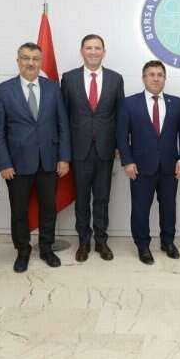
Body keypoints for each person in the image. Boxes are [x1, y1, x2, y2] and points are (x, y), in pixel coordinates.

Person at [0, 42, 71, 273]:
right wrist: (4, 163)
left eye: (35, 59)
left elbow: (63, 125)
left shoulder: (53, 88)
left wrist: (64, 158)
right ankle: (22, 251)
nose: (30, 63)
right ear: (18, 61)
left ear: (40, 61)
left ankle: (46, 248)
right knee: (19, 211)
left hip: (49, 160)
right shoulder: (4, 90)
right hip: (16, 164)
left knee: (49, 208)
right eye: (25, 58)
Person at [116, 60, 180, 264]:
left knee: (169, 207)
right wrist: (127, 162)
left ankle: (168, 242)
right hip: (140, 168)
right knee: (140, 209)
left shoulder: (176, 103)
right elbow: (121, 136)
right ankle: (143, 246)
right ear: (143, 78)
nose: (156, 78)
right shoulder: (130, 103)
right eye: (151, 74)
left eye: (160, 75)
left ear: (165, 78)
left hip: (169, 167)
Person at [61, 34, 125, 262]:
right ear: (82, 51)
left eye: (97, 48)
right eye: (89, 48)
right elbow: (63, 118)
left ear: (103, 52)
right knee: (81, 200)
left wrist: (119, 145)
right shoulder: (69, 79)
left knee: (102, 199)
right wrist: (65, 152)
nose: (93, 52)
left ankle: (101, 241)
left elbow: (120, 116)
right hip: (79, 150)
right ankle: (83, 242)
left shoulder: (116, 79)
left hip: (106, 150)